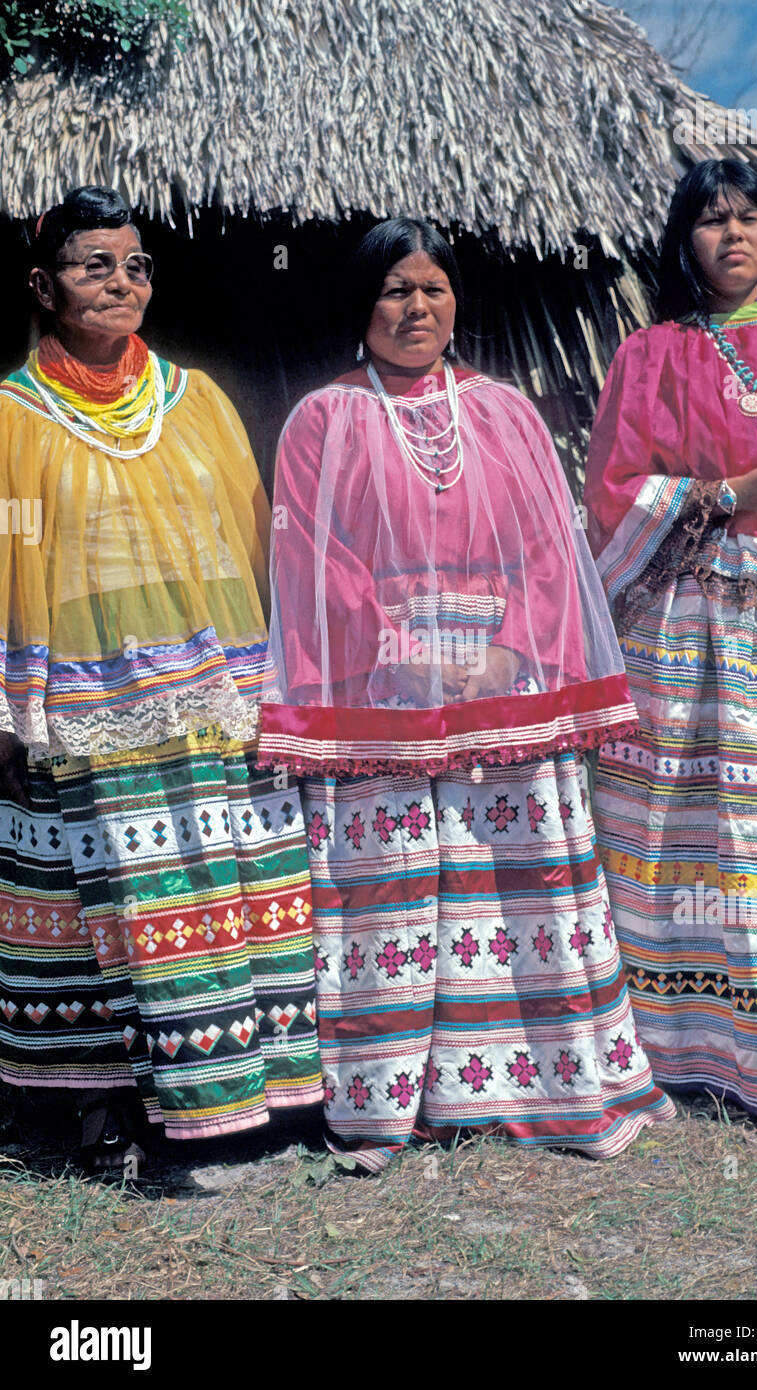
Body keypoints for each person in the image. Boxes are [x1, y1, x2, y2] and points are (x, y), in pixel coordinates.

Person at [260, 217, 675, 1172]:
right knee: (401, 894)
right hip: (383, 691)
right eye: (393, 290)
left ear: (456, 301)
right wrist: (401, 648)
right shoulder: (322, 420)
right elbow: (311, 557)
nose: (415, 307)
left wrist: (509, 650)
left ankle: (553, 1078)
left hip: (504, 683)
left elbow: (548, 549)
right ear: (360, 305)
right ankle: (398, 1092)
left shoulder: (506, 413)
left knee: (515, 876)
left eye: (432, 289)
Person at [0, 186, 321, 1169]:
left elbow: (246, 532)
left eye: (135, 265)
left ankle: (268, 1109)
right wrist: (19, 704)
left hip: (217, 697)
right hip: (99, 704)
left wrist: (272, 687)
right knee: (124, 911)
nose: (120, 282)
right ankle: (150, 1119)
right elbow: (13, 546)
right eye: (95, 264)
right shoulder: (15, 417)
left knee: (237, 896)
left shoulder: (199, 405)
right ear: (43, 286)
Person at [584, 157, 757, 1120]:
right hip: (699, 628)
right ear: (682, 242)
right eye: (710, 221)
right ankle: (692, 1045)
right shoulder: (651, 355)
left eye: (749, 218)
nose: (732, 236)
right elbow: (612, 499)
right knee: (699, 831)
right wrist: (723, 497)